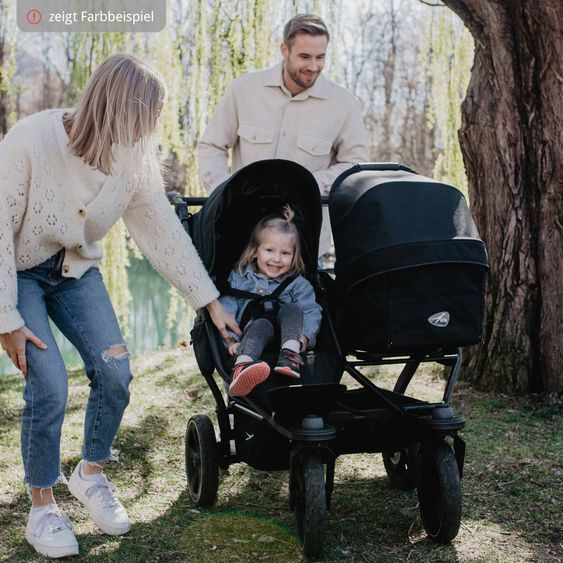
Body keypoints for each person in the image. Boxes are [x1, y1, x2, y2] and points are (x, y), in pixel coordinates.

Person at [0, 54, 240, 559]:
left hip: (75, 272)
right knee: (49, 383)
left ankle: (89, 476)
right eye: (146, 119)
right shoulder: (29, 140)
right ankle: (42, 509)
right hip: (19, 274)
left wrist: (209, 301)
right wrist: (6, 319)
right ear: (118, 109)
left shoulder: (133, 161)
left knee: (116, 372)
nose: (149, 132)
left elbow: (163, 235)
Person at [198, 13, 369, 256]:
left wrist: (309, 185)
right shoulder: (244, 90)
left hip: (305, 245)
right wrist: (223, 193)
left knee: (306, 296)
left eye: (321, 57)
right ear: (284, 50)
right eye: (304, 56)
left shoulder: (343, 104)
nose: (313, 66)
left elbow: (354, 165)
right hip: (241, 238)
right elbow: (211, 147)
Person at [219, 205, 322, 397]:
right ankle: (243, 366)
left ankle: (290, 355)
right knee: (261, 325)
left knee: (292, 308)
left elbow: (311, 311)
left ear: (294, 256)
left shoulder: (298, 284)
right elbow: (227, 313)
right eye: (269, 250)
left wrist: (305, 338)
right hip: (252, 336)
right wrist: (231, 342)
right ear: (255, 251)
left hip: (291, 337)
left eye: (285, 253)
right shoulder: (240, 279)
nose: (276, 259)